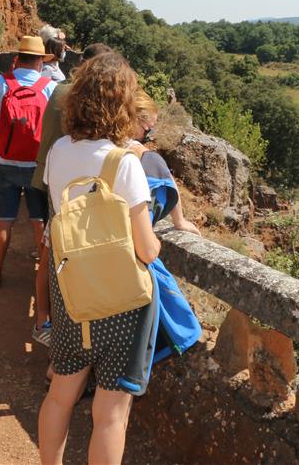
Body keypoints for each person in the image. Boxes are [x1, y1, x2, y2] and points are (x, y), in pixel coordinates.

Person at [38, 52, 162, 465]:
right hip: (120, 304)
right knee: (110, 414)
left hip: (72, 294)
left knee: (60, 397)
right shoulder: (125, 164)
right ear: (123, 105)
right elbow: (146, 249)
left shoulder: (58, 151)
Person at [30, 43, 112, 346]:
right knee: (56, 258)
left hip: (49, 175)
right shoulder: (80, 99)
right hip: (72, 190)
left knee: (49, 254)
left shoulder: (59, 90)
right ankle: (58, 327)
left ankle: (43, 320)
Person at [0, 36, 58, 289]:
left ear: (17, 57)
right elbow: (55, 131)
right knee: (39, 221)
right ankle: (43, 279)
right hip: (35, 166)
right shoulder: (49, 87)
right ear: (40, 61)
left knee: (3, 219)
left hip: (4, 162)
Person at [130, 91, 201, 235]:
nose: (148, 137)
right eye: (147, 131)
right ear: (134, 120)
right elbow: (168, 180)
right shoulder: (141, 154)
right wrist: (179, 221)